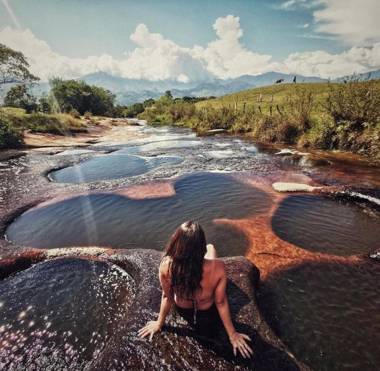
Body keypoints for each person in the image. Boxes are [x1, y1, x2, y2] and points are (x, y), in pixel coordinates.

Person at [138, 221, 253, 358]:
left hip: (182, 306)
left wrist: (159, 323)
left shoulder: (165, 266)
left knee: (207, 251)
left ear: (176, 243)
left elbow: (166, 297)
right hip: (206, 307)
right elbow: (220, 302)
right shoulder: (218, 267)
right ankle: (205, 250)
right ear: (200, 247)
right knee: (211, 248)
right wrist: (232, 334)